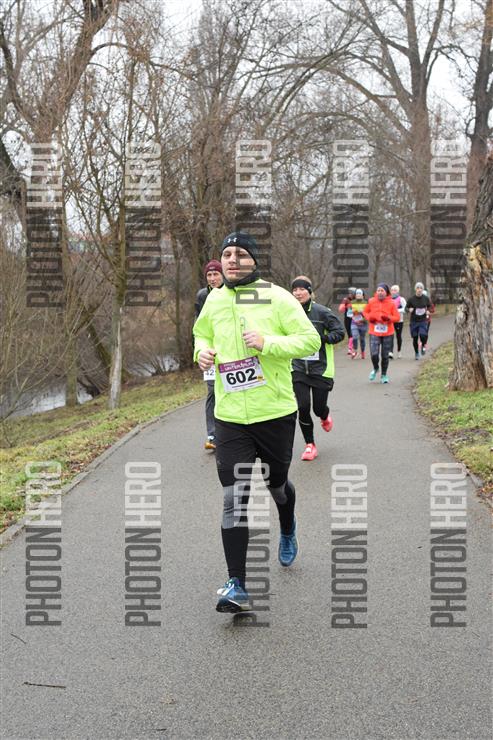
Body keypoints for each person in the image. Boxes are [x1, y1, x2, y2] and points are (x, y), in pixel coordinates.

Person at [193, 232, 320, 613]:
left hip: (274, 413)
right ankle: (237, 585)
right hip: (230, 417)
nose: (232, 260)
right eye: (226, 254)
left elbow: (310, 341)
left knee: (277, 485)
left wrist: (268, 343)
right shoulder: (214, 299)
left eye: (240, 254)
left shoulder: (276, 296)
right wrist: (202, 352)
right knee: (234, 497)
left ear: (254, 260)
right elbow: (201, 334)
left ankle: (288, 524)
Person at [291, 276, 345, 461]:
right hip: (297, 367)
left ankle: (324, 415)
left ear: (309, 291)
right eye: (295, 290)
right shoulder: (288, 313)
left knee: (318, 408)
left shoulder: (322, 312)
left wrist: (322, 339)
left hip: (320, 369)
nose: (298, 293)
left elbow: (340, 332)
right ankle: (310, 445)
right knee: (303, 406)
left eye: (301, 289)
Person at [195, 260, 223, 450]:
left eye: (216, 274)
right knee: (212, 391)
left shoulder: (233, 292)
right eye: (209, 275)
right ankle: (212, 435)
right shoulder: (202, 296)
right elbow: (198, 326)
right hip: (210, 352)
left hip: (229, 350)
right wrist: (200, 350)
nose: (212, 278)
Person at [363, 283, 400, 383]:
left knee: (385, 355)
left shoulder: (391, 303)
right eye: (378, 290)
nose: (380, 292)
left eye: (382, 290)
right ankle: (376, 368)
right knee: (374, 354)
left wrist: (388, 318)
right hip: (374, 331)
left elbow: (397, 317)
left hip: (388, 332)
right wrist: (370, 318)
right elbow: (365, 312)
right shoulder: (371, 301)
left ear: (386, 292)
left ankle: (384, 375)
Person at [406, 282, 433, 359]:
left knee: (423, 335)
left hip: (423, 321)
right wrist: (409, 309)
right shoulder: (411, 299)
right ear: (415, 289)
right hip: (414, 321)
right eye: (418, 288)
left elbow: (430, 307)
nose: (419, 290)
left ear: (422, 289)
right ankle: (416, 353)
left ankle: (423, 345)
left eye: (421, 288)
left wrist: (428, 311)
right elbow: (406, 308)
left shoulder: (426, 298)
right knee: (415, 337)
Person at [349, 288, 368, 359]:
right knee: (354, 336)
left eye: (360, 294)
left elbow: (369, 313)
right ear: (355, 295)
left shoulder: (366, 303)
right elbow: (348, 313)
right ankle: (355, 350)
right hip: (354, 322)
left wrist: (363, 316)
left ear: (363, 295)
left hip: (363, 323)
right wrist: (353, 313)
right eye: (357, 294)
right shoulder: (352, 303)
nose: (358, 295)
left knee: (362, 339)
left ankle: (362, 352)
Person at [389, 285, 406, 359]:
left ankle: (399, 351)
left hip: (399, 321)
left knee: (398, 336)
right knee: (390, 336)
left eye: (395, 290)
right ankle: (391, 352)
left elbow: (405, 309)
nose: (393, 291)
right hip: (390, 321)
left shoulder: (401, 299)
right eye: (392, 290)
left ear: (398, 291)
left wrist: (396, 310)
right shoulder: (389, 299)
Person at [338, 287, 357, 355]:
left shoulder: (357, 300)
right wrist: (344, 305)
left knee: (353, 334)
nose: (350, 294)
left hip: (355, 319)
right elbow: (340, 310)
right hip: (347, 319)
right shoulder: (346, 300)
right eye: (349, 293)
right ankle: (351, 349)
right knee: (349, 334)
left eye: (351, 293)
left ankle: (351, 348)